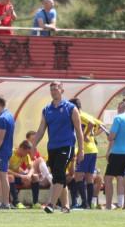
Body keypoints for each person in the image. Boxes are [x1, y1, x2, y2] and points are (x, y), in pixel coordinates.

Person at [32, 82, 85, 213]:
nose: (53, 92)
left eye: (56, 89)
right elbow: (41, 130)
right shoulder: (46, 110)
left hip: (66, 146)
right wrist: (34, 145)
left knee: (59, 173)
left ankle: (51, 204)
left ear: (62, 90)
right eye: (51, 90)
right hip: (52, 147)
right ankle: (66, 206)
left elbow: (79, 131)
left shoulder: (71, 108)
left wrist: (81, 150)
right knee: (58, 175)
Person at [70, 98, 108, 209]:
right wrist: (93, 135)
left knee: (78, 176)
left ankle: (84, 203)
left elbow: (91, 124)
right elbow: (102, 125)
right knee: (89, 177)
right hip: (93, 149)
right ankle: (89, 204)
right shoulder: (87, 115)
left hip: (86, 150)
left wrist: (84, 135)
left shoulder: (79, 115)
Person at [104, 98, 125, 210]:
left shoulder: (118, 118)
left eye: (119, 106)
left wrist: (108, 135)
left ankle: (108, 205)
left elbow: (111, 137)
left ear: (123, 107)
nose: (117, 108)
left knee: (108, 178)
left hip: (117, 153)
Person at [0, 96, 16, 209]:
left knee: (2, 175)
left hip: (2, 151)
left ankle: (5, 203)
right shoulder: (9, 116)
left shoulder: (2, 118)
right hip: (6, 150)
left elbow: (0, 137)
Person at [8, 140, 40, 209]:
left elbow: (32, 168)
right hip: (7, 177)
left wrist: (28, 175)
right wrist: (21, 176)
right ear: (21, 148)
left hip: (18, 176)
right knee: (10, 177)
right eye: (27, 152)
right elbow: (6, 170)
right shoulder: (10, 153)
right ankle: (16, 202)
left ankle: (35, 203)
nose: (28, 154)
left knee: (35, 177)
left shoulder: (26, 155)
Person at [27, 130, 49, 208]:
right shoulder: (24, 150)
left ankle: (54, 203)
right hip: (26, 174)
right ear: (27, 140)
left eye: (35, 140)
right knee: (40, 160)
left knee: (57, 178)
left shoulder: (36, 151)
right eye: (32, 140)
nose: (34, 142)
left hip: (36, 174)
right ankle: (35, 202)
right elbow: (26, 166)